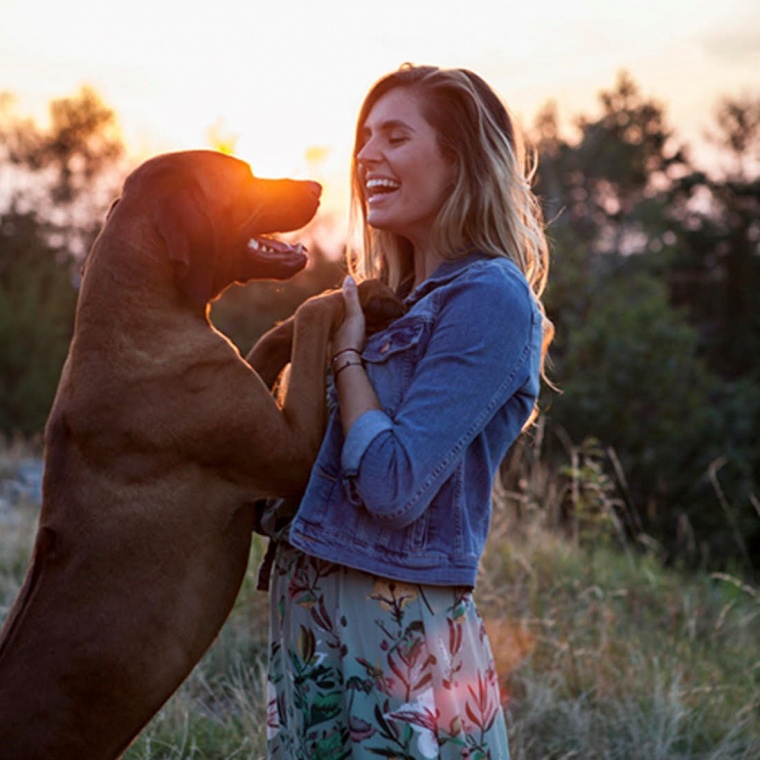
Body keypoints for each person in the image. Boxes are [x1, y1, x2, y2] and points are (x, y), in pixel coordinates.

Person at [264, 63, 553, 759]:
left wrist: (348, 359)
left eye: (396, 136)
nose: (368, 156)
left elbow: (393, 486)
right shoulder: (387, 300)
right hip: (311, 616)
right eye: (365, 139)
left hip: (396, 628)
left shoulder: (489, 298)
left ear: (459, 162)